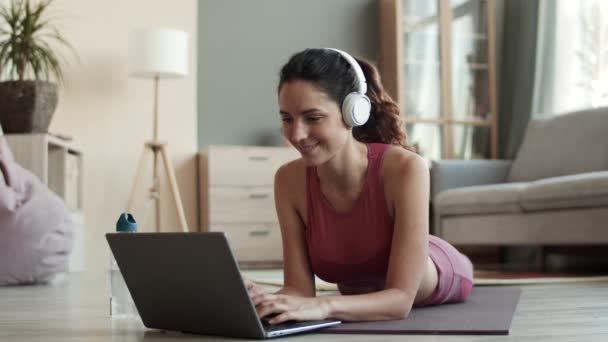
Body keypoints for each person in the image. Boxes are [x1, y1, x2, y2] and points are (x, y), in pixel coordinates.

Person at [246, 48, 473, 324]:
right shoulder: (287, 180)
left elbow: (400, 300)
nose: (297, 134)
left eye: (313, 118)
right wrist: (261, 300)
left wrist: (326, 306)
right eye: (287, 118)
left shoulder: (406, 168)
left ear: (353, 112)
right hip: (363, 292)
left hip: (441, 266)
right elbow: (299, 290)